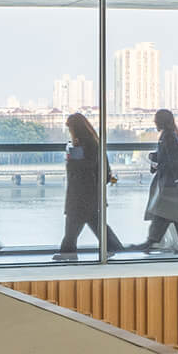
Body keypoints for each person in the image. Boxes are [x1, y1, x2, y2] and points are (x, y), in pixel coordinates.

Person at [53, 111, 115, 262]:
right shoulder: (93, 142)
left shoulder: (87, 144)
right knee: (93, 223)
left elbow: (86, 166)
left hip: (83, 192)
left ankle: (68, 252)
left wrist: (72, 160)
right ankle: (113, 248)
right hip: (90, 192)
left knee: (75, 221)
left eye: (70, 128)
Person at [138, 108, 178, 255]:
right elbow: (171, 158)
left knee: (163, 214)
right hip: (175, 182)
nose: (154, 122)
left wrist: (157, 162)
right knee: (176, 215)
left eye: (156, 119)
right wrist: (156, 157)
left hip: (172, 183)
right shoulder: (169, 135)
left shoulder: (168, 137)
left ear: (161, 121)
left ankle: (151, 242)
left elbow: (173, 160)